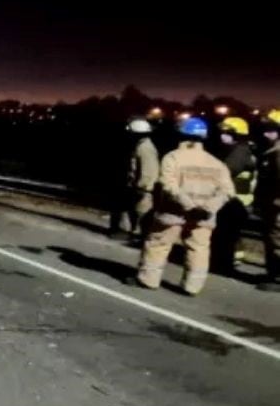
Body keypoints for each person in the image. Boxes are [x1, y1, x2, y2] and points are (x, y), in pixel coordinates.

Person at [130, 117, 235, 295]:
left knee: (158, 244)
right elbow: (228, 191)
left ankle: (148, 280)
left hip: (173, 213)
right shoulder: (216, 163)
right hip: (204, 217)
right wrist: (207, 208)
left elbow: (168, 185)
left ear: (181, 134)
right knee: (198, 249)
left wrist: (189, 205)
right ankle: (192, 287)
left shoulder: (173, 157)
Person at [209, 116, 257, 275]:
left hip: (236, 200)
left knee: (226, 233)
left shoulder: (239, 152)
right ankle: (226, 260)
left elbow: (226, 172)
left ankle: (224, 264)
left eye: (227, 132)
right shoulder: (234, 150)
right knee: (227, 234)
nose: (223, 135)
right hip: (233, 199)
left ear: (237, 135)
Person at [110, 119, 159, 238]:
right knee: (134, 212)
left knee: (141, 213)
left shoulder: (144, 148)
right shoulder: (142, 146)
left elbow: (148, 170)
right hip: (139, 187)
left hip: (143, 188)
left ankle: (139, 236)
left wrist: (143, 187)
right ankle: (131, 233)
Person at [255, 110, 280, 292]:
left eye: (271, 130)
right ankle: (273, 275)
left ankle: (277, 279)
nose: (266, 133)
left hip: (277, 207)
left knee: (277, 241)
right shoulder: (273, 151)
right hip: (272, 204)